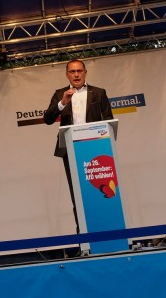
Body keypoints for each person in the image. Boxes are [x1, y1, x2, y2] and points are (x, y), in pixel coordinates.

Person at [42, 59, 113, 230]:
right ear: (67, 75)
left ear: (85, 72)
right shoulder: (60, 93)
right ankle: (84, 235)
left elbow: (109, 121)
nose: (76, 75)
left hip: (97, 150)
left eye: (79, 71)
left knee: (102, 191)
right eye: (72, 72)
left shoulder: (99, 93)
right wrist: (63, 103)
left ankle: (107, 230)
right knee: (78, 194)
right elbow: (47, 119)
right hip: (71, 150)